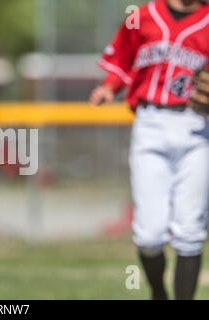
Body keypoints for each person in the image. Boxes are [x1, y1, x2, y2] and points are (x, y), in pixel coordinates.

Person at [90, 0, 209, 299]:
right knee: (149, 235)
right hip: (150, 123)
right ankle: (158, 292)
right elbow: (121, 58)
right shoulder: (141, 16)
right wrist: (109, 86)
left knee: (189, 230)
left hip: (197, 127)